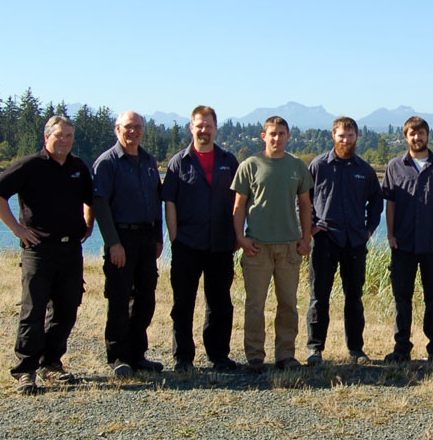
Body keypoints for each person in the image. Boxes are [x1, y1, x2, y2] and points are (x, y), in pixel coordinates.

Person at [0, 115, 94, 394]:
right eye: (60, 135)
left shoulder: (78, 167)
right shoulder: (30, 166)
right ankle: (25, 370)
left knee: (67, 308)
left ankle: (51, 364)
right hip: (39, 250)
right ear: (47, 138)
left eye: (69, 136)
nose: (65, 141)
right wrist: (17, 229)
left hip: (71, 250)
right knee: (33, 311)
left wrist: (88, 224)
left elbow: (91, 199)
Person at [231, 116, 313, 373]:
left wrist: (306, 238)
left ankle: (286, 355)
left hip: (289, 247)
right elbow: (239, 206)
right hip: (257, 247)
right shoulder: (250, 165)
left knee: (288, 304)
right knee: (255, 305)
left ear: (289, 136)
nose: (277, 138)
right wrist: (241, 238)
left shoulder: (297, 166)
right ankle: (255, 356)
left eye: (281, 133)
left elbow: (306, 205)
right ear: (263, 136)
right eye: (272, 133)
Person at [161, 106, 239, 372]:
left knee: (219, 304)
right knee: (183, 304)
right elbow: (169, 202)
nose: (204, 130)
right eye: (199, 125)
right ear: (191, 128)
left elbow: (239, 201)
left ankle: (218, 355)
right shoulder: (178, 162)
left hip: (220, 244)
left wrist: (237, 235)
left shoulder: (229, 161)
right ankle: (183, 357)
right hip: (187, 244)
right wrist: (174, 238)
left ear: (216, 128)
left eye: (208, 125)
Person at [381, 116, 433, 363]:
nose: (417, 138)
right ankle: (401, 347)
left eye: (421, 133)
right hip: (403, 244)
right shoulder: (395, 166)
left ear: (428, 135)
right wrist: (390, 235)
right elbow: (390, 204)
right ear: (406, 137)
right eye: (412, 134)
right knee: (402, 300)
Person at [92, 111, 165, 377]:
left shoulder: (147, 160)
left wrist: (158, 237)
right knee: (120, 298)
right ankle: (118, 356)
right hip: (121, 238)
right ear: (117, 129)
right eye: (128, 127)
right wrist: (113, 243)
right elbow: (100, 204)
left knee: (146, 298)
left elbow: (156, 202)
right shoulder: (107, 163)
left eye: (138, 127)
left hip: (147, 239)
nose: (133, 132)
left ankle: (138, 354)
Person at [306, 116, 382, 365]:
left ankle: (356, 349)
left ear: (356, 137)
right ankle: (315, 349)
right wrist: (310, 226)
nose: (346, 140)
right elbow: (303, 200)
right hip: (325, 239)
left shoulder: (365, 170)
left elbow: (376, 203)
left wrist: (369, 229)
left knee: (354, 297)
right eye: (341, 135)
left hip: (355, 241)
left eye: (350, 135)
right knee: (319, 296)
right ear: (333, 136)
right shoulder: (319, 166)